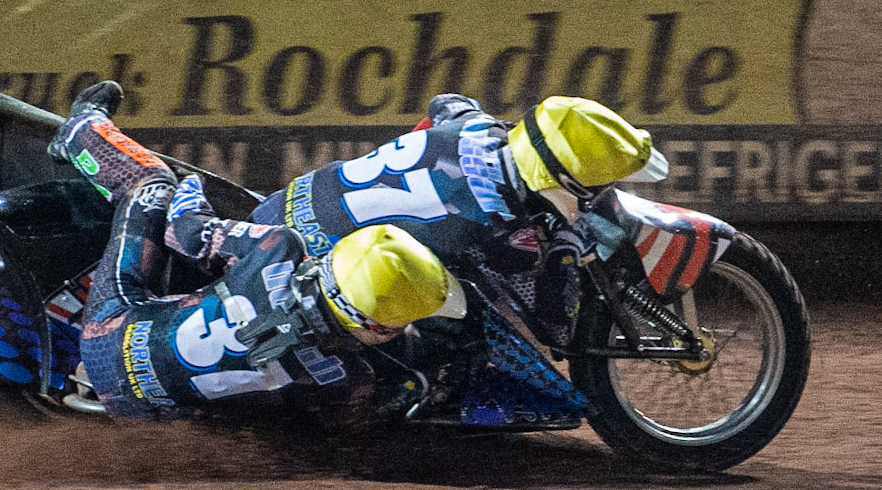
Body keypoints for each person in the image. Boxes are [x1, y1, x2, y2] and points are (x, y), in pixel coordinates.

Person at [48, 82, 468, 421]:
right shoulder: (350, 378)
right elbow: (329, 430)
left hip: (109, 336)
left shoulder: (278, 248)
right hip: (148, 414)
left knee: (153, 181)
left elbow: (183, 233)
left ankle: (80, 130)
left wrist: (192, 188)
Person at [250, 93, 669, 345]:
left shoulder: (476, 126)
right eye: (601, 180)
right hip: (300, 273)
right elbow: (555, 327)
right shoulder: (496, 225)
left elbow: (445, 103)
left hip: (275, 210)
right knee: (467, 330)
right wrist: (564, 249)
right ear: (563, 179)